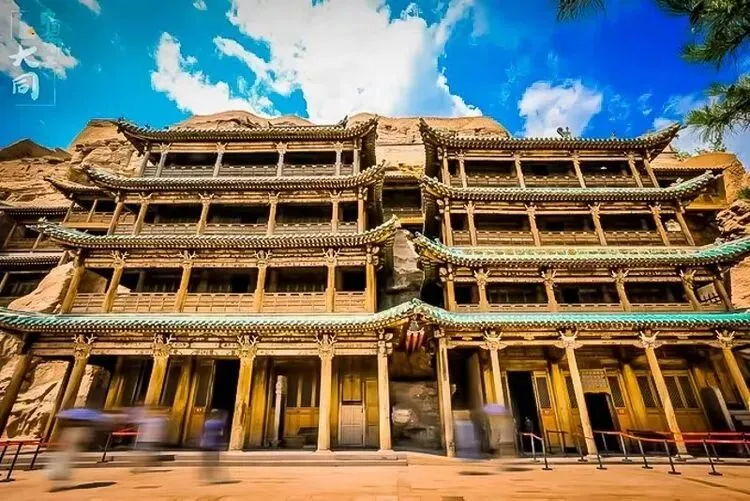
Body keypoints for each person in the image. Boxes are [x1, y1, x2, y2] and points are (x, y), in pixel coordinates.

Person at [200, 409, 228, 483]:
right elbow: (222, 434)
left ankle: (207, 476)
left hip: (205, 444)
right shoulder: (220, 423)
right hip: (214, 445)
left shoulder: (207, 423)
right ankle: (213, 477)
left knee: (207, 462)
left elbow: (203, 433)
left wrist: (202, 442)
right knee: (214, 462)